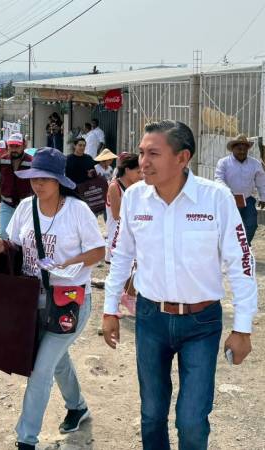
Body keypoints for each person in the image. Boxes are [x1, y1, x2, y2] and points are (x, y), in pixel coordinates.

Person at [103, 120, 258, 450]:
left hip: (201, 324)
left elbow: (242, 264)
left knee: (191, 420)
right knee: (152, 414)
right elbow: (120, 256)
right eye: (142, 152)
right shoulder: (135, 199)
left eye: (153, 153)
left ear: (182, 157)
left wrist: (243, 328)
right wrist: (109, 309)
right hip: (150, 320)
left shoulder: (215, 198)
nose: (143, 162)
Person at [0, 148, 105, 449]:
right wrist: (1, 246)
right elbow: (14, 244)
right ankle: (77, 407)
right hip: (31, 302)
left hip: (70, 301)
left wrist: (69, 263)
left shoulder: (77, 211)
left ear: (59, 181)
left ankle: (26, 439)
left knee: (41, 369)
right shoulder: (26, 207)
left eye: (45, 179)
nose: (38, 184)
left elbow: (98, 251)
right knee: (56, 358)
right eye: (34, 177)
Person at [215, 134, 265, 245]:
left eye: (245, 149)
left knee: (251, 225)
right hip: (229, 201)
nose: (242, 151)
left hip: (248, 200)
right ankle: (229, 249)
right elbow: (218, 179)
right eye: (239, 149)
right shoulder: (223, 163)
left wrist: (263, 197)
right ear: (233, 148)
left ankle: (243, 248)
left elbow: (261, 181)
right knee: (229, 227)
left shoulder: (255, 164)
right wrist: (227, 191)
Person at [0, 133, 33, 239]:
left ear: (24, 146)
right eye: (11, 146)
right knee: (3, 235)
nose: (14, 149)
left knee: (23, 236)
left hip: (26, 206)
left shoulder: (31, 162)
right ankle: (4, 255)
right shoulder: (2, 160)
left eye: (17, 146)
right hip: (7, 204)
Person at [105, 153, 141, 263]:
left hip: (133, 235)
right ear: (127, 170)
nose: (141, 176)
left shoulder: (137, 186)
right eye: (138, 172)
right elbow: (116, 215)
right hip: (117, 236)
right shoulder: (114, 186)